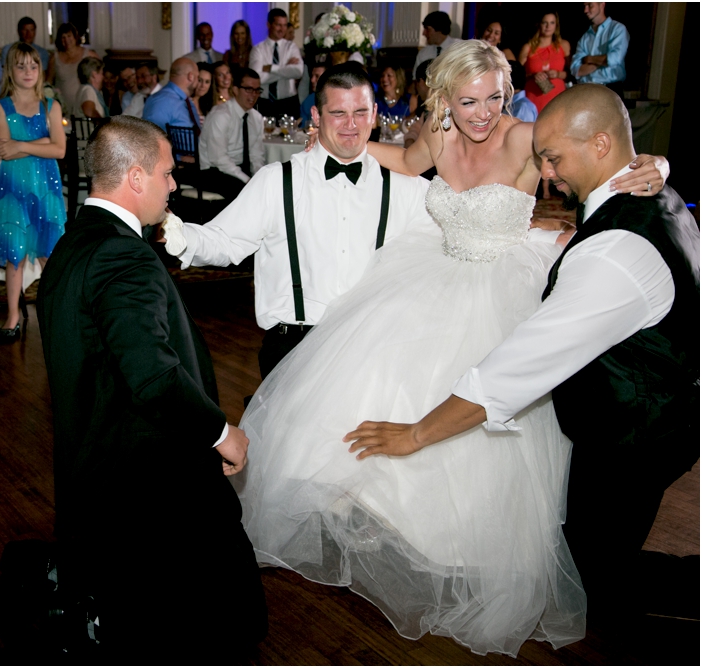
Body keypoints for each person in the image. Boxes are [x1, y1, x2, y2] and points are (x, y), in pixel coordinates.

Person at [234, 42, 672, 656]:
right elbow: (405, 160)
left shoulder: (525, 139)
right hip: (431, 272)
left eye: (495, 96)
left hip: (502, 286)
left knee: (488, 415)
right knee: (373, 376)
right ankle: (380, 523)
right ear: (443, 97)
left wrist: (657, 164)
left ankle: (459, 552)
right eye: (469, 100)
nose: (484, 112)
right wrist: (336, 142)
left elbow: (601, 156)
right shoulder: (437, 136)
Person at [344, 82, 698, 640]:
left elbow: (513, 371)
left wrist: (415, 435)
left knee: (595, 578)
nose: (548, 173)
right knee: (595, 552)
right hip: (655, 413)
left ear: (603, 145)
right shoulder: (662, 196)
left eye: (555, 158)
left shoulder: (614, 253)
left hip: (636, 436)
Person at [35, 115, 267, 663]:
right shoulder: (123, 256)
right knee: (208, 623)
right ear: (135, 177)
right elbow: (154, 375)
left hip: (98, 464)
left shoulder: (74, 243)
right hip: (147, 477)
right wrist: (221, 433)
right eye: (166, 173)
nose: (173, 185)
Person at [163, 64, 436, 378]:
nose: (351, 124)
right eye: (338, 113)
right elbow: (226, 240)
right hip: (294, 350)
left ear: (374, 114)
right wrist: (173, 232)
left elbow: (451, 234)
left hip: (371, 350)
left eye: (360, 112)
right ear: (317, 117)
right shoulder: (277, 181)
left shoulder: (405, 188)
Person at [0, 44, 65, 342]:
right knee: (15, 253)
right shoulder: (0, 107)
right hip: (15, 190)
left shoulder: (51, 105)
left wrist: (22, 145)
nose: (27, 72)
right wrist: (41, 141)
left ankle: (58, 311)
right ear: (11, 70)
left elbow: (59, 149)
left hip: (47, 188)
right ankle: (13, 313)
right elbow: (4, 150)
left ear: (40, 70)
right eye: (20, 66)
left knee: (51, 253)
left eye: (33, 66)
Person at [197, 67, 264, 201]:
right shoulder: (221, 115)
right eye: (248, 90)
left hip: (237, 169)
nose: (253, 95)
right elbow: (219, 159)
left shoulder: (256, 118)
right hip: (213, 171)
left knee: (269, 187)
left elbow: (256, 156)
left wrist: (260, 178)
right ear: (235, 90)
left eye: (257, 90)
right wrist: (247, 180)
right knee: (243, 192)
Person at [250, 8, 303, 118]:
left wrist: (271, 68)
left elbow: (298, 72)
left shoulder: (291, 47)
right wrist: (285, 69)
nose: (282, 29)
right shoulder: (258, 49)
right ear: (268, 25)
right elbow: (257, 78)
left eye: (284, 25)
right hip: (265, 103)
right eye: (278, 25)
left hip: (288, 103)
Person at [518, 12, 570, 113]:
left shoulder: (563, 45)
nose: (548, 26)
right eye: (544, 23)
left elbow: (572, 74)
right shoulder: (528, 48)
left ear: (556, 25)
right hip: (533, 99)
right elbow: (516, 77)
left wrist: (558, 74)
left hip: (557, 99)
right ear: (539, 24)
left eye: (552, 23)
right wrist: (533, 76)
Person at [570, 2, 628, 91]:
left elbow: (614, 59)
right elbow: (576, 69)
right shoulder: (584, 38)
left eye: (590, 5)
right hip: (588, 91)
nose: (585, 10)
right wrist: (602, 62)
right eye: (584, 6)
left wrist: (589, 59)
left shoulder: (617, 29)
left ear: (602, 5)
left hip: (612, 90)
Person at [51, 23, 98, 117]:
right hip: (63, 107)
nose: (66, 40)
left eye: (69, 36)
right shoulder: (54, 58)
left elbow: (100, 75)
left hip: (84, 105)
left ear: (75, 37)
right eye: (63, 37)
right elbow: (48, 82)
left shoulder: (89, 55)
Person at [142, 57, 200, 132]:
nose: (198, 82)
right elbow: (151, 137)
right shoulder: (162, 102)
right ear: (190, 76)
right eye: (197, 77)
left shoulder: (184, 100)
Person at [0, 16, 51, 82]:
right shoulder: (8, 49)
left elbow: (42, 76)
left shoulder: (42, 52)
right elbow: (5, 73)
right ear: (19, 31)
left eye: (31, 30)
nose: (28, 34)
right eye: (25, 30)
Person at [413, 11, 461, 76]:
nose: (423, 33)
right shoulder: (423, 53)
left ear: (439, 29)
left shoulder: (460, 48)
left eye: (427, 29)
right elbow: (416, 79)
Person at [299, 63, 326, 129]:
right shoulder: (309, 100)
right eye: (312, 76)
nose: (312, 80)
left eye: (317, 76)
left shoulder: (339, 101)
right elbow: (304, 127)